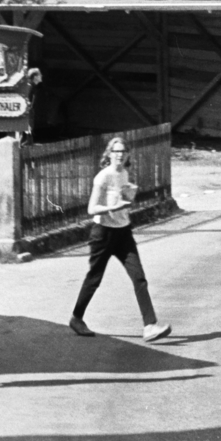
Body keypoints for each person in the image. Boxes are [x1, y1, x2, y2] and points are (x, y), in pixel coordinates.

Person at [69, 134, 171, 342]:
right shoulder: (103, 177)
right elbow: (92, 208)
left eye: (123, 152)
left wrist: (126, 202)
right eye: (115, 151)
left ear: (127, 155)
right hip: (103, 233)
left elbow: (122, 202)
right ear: (109, 154)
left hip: (124, 233)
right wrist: (114, 207)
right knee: (94, 278)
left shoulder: (124, 174)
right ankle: (76, 318)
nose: (119, 155)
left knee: (139, 278)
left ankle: (150, 325)